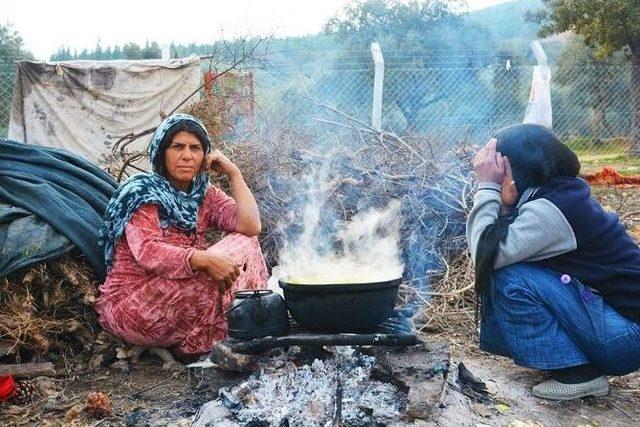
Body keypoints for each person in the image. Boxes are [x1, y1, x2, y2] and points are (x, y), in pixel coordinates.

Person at [467, 123, 640, 400]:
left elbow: (485, 257)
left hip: (626, 340)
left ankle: (578, 375)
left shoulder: (550, 211)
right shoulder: (561, 193)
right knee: (518, 270)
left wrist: (486, 187)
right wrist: (507, 207)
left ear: (514, 168)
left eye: (500, 167)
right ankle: (572, 361)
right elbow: (506, 241)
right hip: (624, 329)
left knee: (510, 277)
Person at [96, 113, 268, 363]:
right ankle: (199, 344)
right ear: (161, 154)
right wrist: (203, 259)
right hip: (132, 306)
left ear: (204, 157)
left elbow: (250, 226)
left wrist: (234, 174)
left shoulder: (203, 194)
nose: (187, 156)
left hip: (176, 296)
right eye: (177, 147)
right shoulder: (141, 192)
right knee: (208, 269)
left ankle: (217, 334)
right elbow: (148, 251)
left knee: (245, 243)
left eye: (195, 148)